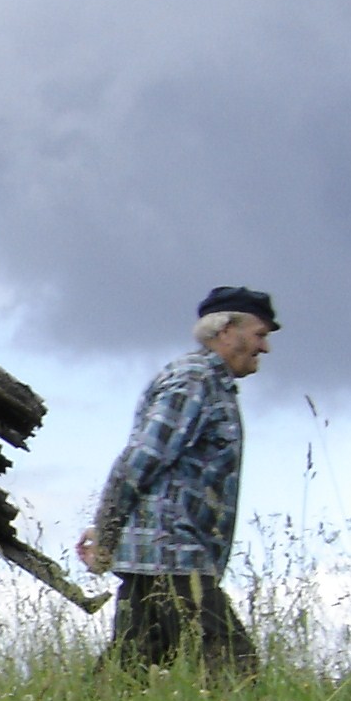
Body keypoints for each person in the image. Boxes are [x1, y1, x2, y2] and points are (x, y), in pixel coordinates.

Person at [78, 287, 278, 675]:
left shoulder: (211, 385)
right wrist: (105, 532)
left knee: (127, 671)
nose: (265, 347)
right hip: (173, 555)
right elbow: (140, 459)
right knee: (235, 668)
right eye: (259, 334)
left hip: (160, 557)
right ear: (225, 332)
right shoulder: (194, 381)